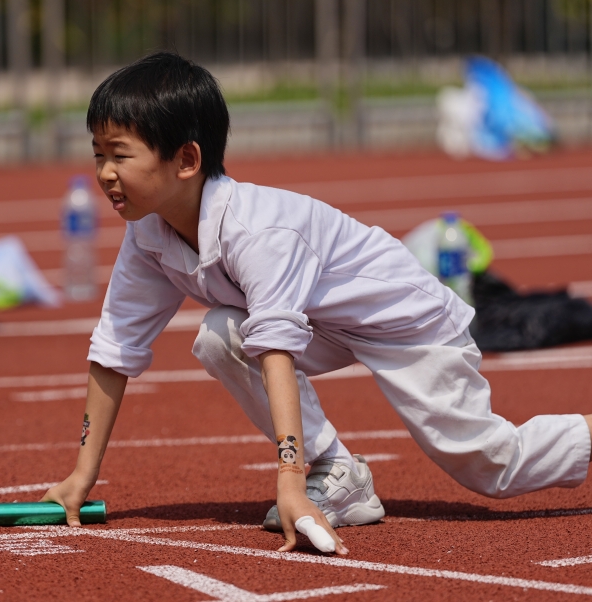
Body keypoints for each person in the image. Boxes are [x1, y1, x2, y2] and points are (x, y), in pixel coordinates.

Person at [42, 52, 592, 555]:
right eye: (98, 154)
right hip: (323, 325)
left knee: (493, 467)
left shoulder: (259, 232)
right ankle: (339, 474)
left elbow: (276, 348)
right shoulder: (148, 234)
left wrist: (288, 482)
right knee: (219, 335)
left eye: (120, 155)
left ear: (186, 159)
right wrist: (80, 477)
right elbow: (115, 348)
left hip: (407, 325)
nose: (104, 173)